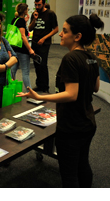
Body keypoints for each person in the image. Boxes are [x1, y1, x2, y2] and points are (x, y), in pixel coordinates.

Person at [17, 14, 104, 188]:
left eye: (64, 31)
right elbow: (95, 88)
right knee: (82, 163)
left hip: (72, 125)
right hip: (88, 122)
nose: (60, 35)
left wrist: (40, 96)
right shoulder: (92, 56)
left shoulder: (70, 59)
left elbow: (71, 94)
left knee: (69, 173)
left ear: (77, 36)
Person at [28, 0, 58, 93]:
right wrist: (34, 19)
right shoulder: (34, 14)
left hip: (44, 43)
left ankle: (45, 86)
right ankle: (39, 85)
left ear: (44, 4)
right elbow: (30, 28)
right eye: (35, 5)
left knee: (43, 64)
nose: (37, 6)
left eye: (39, 5)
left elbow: (56, 29)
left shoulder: (50, 14)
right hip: (35, 42)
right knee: (36, 64)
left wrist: (44, 38)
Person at [10, 3, 35, 89]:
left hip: (14, 48)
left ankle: (11, 88)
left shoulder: (15, 19)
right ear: (25, 11)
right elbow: (23, 36)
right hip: (22, 50)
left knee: (12, 70)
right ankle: (30, 92)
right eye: (27, 9)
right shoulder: (21, 21)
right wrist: (30, 49)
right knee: (25, 72)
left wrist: (26, 21)